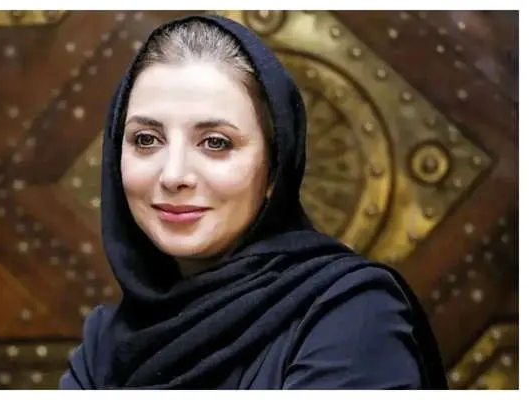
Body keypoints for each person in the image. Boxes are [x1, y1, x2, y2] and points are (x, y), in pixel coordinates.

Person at [59, 13, 448, 389]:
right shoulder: (107, 343)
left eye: (216, 143)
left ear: (274, 170)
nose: (173, 175)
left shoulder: (350, 312)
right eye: (146, 140)